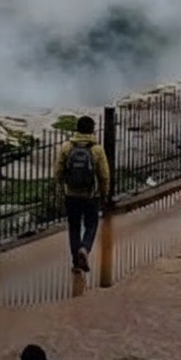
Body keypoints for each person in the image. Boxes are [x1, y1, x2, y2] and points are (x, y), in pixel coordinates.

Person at [55, 116, 111, 273]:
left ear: (77, 129)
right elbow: (104, 175)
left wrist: (60, 190)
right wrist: (104, 194)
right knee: (91, 224)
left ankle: (76, 263)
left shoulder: (67, 147)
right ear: (92, 130)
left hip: (71, 194)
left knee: (74, 227)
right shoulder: (97, 149)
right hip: (91, 196)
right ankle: (85, 249)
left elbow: (58, 172)